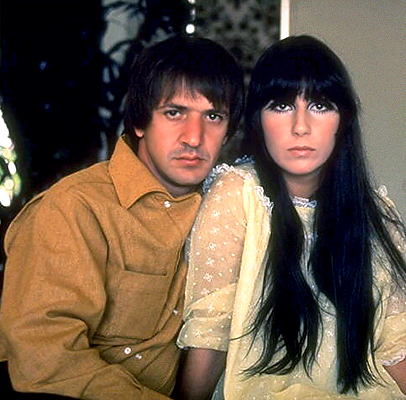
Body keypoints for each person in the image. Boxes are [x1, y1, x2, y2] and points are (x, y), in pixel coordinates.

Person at [176, 35, 406, 400]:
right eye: (282, 106)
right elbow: (211, 334)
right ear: (258, 120)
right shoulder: (237, 192)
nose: (301, 126)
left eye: (319, 105)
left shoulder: (375, 211)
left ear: (343, 120)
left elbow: (398, 343)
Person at [0, 34, 243, 399]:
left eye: (213, 116)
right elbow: (46, 362)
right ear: (140, 121)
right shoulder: (75, 208)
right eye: (174, 113)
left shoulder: (227, 208)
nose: (195, 137)